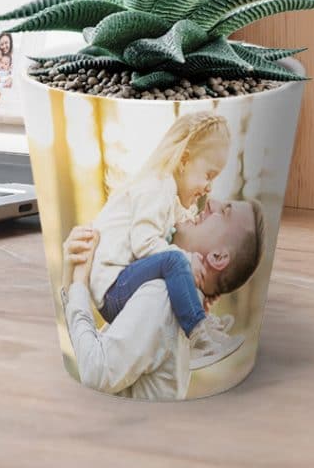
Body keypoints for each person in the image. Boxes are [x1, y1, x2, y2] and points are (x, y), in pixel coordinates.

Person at [61, 195, 266, 400]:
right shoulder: (174, 295)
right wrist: (70, 280)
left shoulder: (163, 296)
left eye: (225, 212)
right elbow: (91, 354)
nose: (211, 202)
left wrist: (78, 283)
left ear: (218, 257)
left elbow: (96, 372)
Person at [89, 111, 240, 370]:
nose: (209, 188)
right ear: (184, 160)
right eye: (209, 175)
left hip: (123, 283)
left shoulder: (167, 194)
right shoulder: (156, 187)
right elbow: (144, 244)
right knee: (174, 259)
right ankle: (198, 340)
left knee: (178, 260)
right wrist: (186, 261)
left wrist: (200, 285)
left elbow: (183, 229)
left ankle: (203, 323)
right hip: (113, 289)